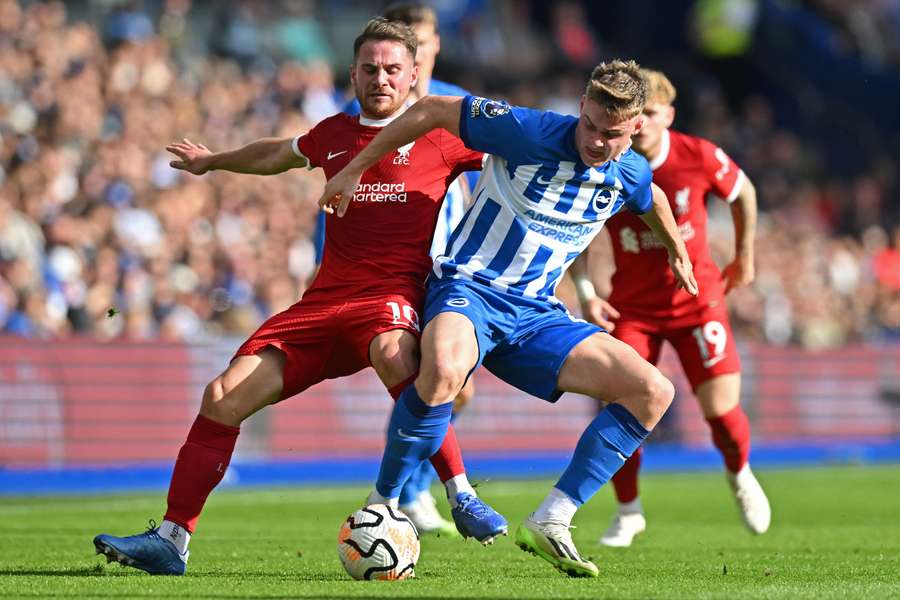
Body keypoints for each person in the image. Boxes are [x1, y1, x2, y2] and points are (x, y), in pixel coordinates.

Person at [92, 18, 506, 577]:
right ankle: (172, 540)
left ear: (413, 77)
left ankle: (460, 495)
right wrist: (213, 161)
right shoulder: (334, 133)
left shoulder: (442, 133)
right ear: (353, 74)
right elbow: (277, 154)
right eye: (369, 69)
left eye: (391, 70)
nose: (379, 78)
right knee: (221, 396)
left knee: (396, 355)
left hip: (390, 295)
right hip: (321, 303)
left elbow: (517, 161)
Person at [320, 59, 698, 577]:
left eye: (610, 134)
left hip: (538, 317)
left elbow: (648, 194)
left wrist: (678, 250)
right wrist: (356, 166)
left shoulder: (628, 169)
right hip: (469, 289)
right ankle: (382, 503)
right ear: (582, 107)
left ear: (634, 129)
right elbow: (430, 109)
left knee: (653, 391)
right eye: (589, 124)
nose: (594, 141)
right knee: (445, 370)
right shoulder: (528, 129)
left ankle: (553, 518)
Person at [570, 68, 771, 547]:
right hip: (633, 308)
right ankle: (628, 511)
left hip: (697, 301)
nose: (643, 127)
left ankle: (740, 472)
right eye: (639, 118)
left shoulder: (696, 155)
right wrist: (585, 292)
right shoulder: (608, 161)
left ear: (668, 115)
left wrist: (744, 256)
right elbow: (574, 227)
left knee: (721, 412)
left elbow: (743, 190)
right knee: (617, 404)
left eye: (653, 116)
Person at [337, 2, 478, 537]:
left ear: (430, 51)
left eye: (422, 40)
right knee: (422, 375)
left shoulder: (454, 107)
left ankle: (409, 485)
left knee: (453, 388)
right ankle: (410, 492)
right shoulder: (362, 109)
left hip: (451, 263)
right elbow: (340, 178)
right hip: (386, 269)